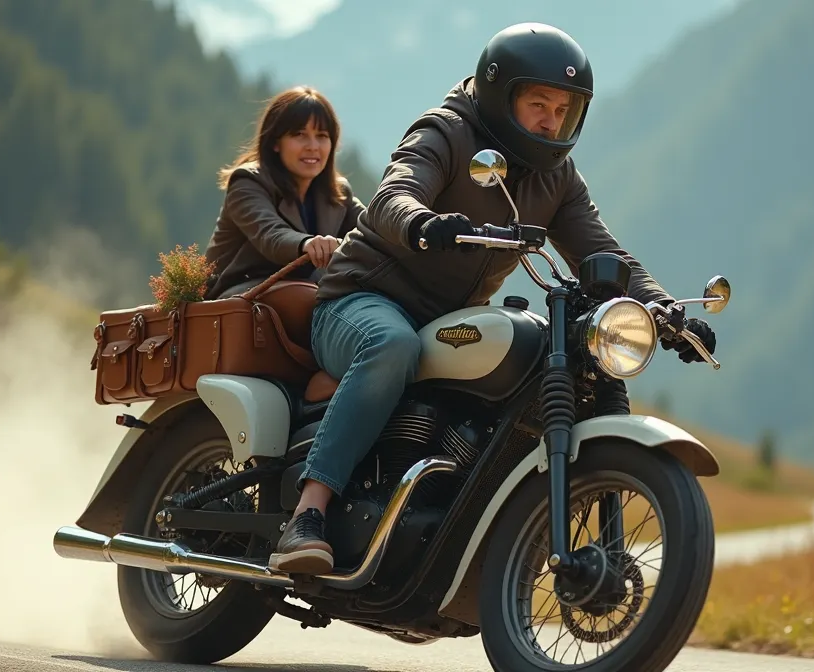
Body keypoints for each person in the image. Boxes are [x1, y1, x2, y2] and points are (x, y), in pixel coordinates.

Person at [268, 23, 718, 574]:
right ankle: (307, 516)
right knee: (391, 345)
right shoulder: (448, 132)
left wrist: (665, 310)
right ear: (501, 95)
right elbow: (394, 193)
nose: (551, 120)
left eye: (564, 108)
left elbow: (603, 253)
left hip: (446, 321)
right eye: (538, 103)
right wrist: (422, 223)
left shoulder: (558, 179)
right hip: (359, 301)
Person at [204, 86, 366, 299]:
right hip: (235, 300)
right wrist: (307, 243)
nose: (313, 146)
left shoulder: (338, 192)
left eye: (322, 136)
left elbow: (373, 229)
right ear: (275, 142)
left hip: (302, 294)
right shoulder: (247, 182)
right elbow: (270, 234)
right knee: (308, 297)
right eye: (299, 135)